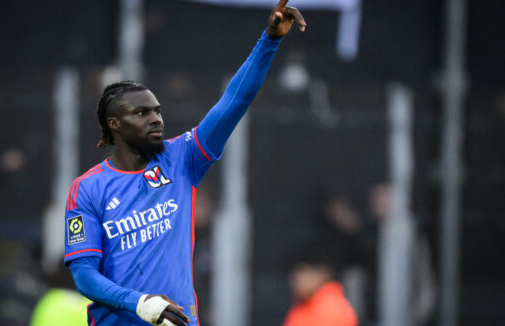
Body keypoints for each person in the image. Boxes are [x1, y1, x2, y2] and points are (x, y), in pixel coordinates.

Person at [63, 1, 306, 325]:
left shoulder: (180, 158)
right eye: (141, 113)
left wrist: (270, 40)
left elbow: (234, 100)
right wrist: (140, 303)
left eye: (157, 111)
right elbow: (84, 277)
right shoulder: (88, 189)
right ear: (114, 125)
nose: (155, 119)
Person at [282, 257, 358, 326]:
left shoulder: (332, 309)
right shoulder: (300, 307)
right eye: (296, 278)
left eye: (306, 276)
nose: (298, 282)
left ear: (321, 276)